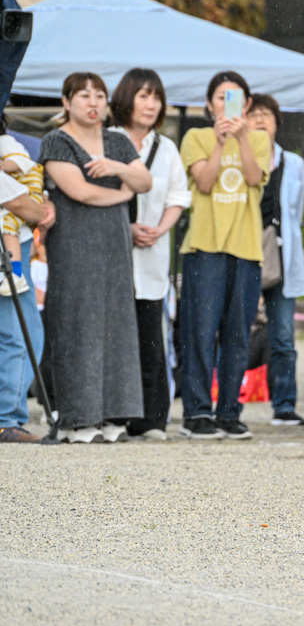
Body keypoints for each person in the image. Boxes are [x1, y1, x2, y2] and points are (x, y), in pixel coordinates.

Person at [41, 72, 152, 443]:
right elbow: (80, 191)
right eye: (84, 95)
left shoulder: (118, 141)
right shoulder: (57, 141)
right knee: (78, 324)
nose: (93, 103)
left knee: (117, 325)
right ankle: (78, 418)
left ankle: (113, 414)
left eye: (99, 96)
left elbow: (144, 181)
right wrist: (122, 194)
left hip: (115, 246)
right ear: (66, 101)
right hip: (74, 244)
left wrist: (118, 168)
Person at [178, 71, 271, 440]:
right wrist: (219, 143)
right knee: (200, 332)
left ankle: (230, 411)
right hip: (205, 247)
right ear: (209, 104)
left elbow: (254, 178)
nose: (227, 104)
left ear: (246, 105)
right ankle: (198, 411)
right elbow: (203, 182)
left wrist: (242, 137)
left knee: (238, 334)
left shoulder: (259, 139)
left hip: (245, 248)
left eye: (235, 98)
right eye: (220, 97)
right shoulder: (196, 137)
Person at [110, 68, 190, 441]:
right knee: (113, 336)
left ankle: (150, 418)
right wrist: (125, 228)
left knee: (150, 337)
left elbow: (178, 196)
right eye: (143, 95)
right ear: (127, 98)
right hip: (113, 252)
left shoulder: (166, 148)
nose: (151, 104)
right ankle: (112, 414)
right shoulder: (107, 140)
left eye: (156, 97)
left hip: (152, 253)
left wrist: (160, 228)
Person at [247, 93, 304, 428]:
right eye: (253, 114)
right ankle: (226, 403)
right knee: (233, 331)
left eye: (267, 115)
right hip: (244, 252)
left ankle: (284, 404)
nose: (260, 120)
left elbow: (296, 210)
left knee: (283, 336)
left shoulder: (293, 163)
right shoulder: (238, 156)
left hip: (282, 256)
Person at [0, 169, 49, 442]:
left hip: (15, 252)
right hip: (7, 257)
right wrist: (42, 212)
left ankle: (8, 416)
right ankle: (5, 419)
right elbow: (17, 201)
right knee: (18, 336)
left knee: (25, 335)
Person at [0, 113, 43, 298]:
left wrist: (3, 165)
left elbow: (20, 161)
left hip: (29, 192)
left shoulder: (5, 142)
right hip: (25, 199)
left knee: (7, 226)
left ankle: (15, 275)